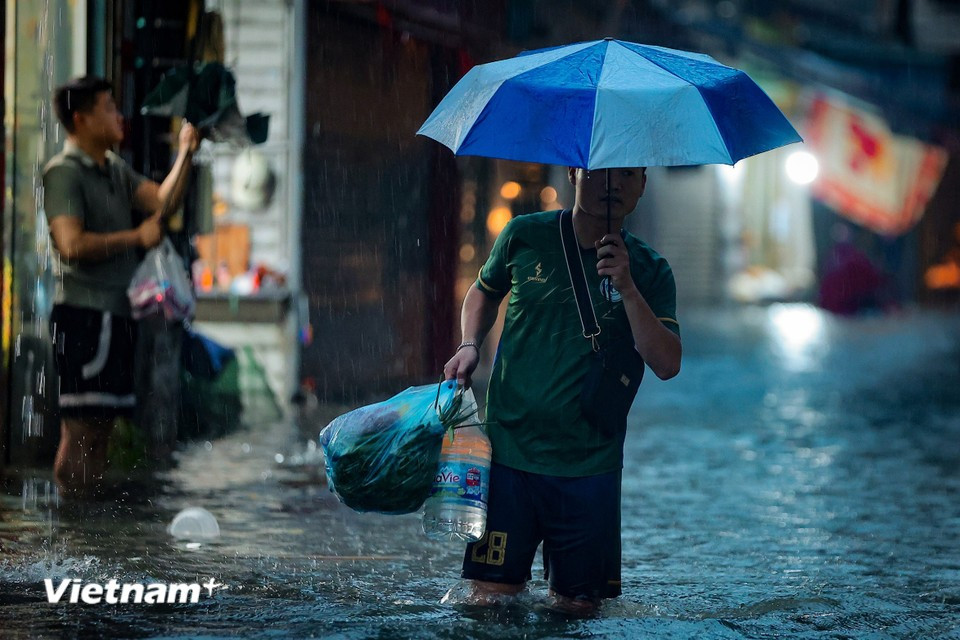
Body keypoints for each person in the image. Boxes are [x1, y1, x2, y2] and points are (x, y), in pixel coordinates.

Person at [443, 166, 682, 614]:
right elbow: (483, 291)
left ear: (643, 185)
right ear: (574, 173)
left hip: (590, 466)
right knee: (488, 604)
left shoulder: (650, 270)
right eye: (598, 172)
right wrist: (470, 345)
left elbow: (667, 364)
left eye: (627, 174)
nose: (612, 183)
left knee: (577, 608)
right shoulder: (524, 236)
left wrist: (628, 289)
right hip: (509, 455)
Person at [43, 76, 200, 495]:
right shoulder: (64, 172)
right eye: (109, 107)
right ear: (82, 119)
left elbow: (163, 202)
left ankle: (88, 533)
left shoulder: (113, 167)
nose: (119, 115)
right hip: (82, 316)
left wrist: (186, 151)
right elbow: (70, 244)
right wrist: (135, 238)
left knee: (101, 430)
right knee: (80, 431)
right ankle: (69, 525)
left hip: (115, 314)